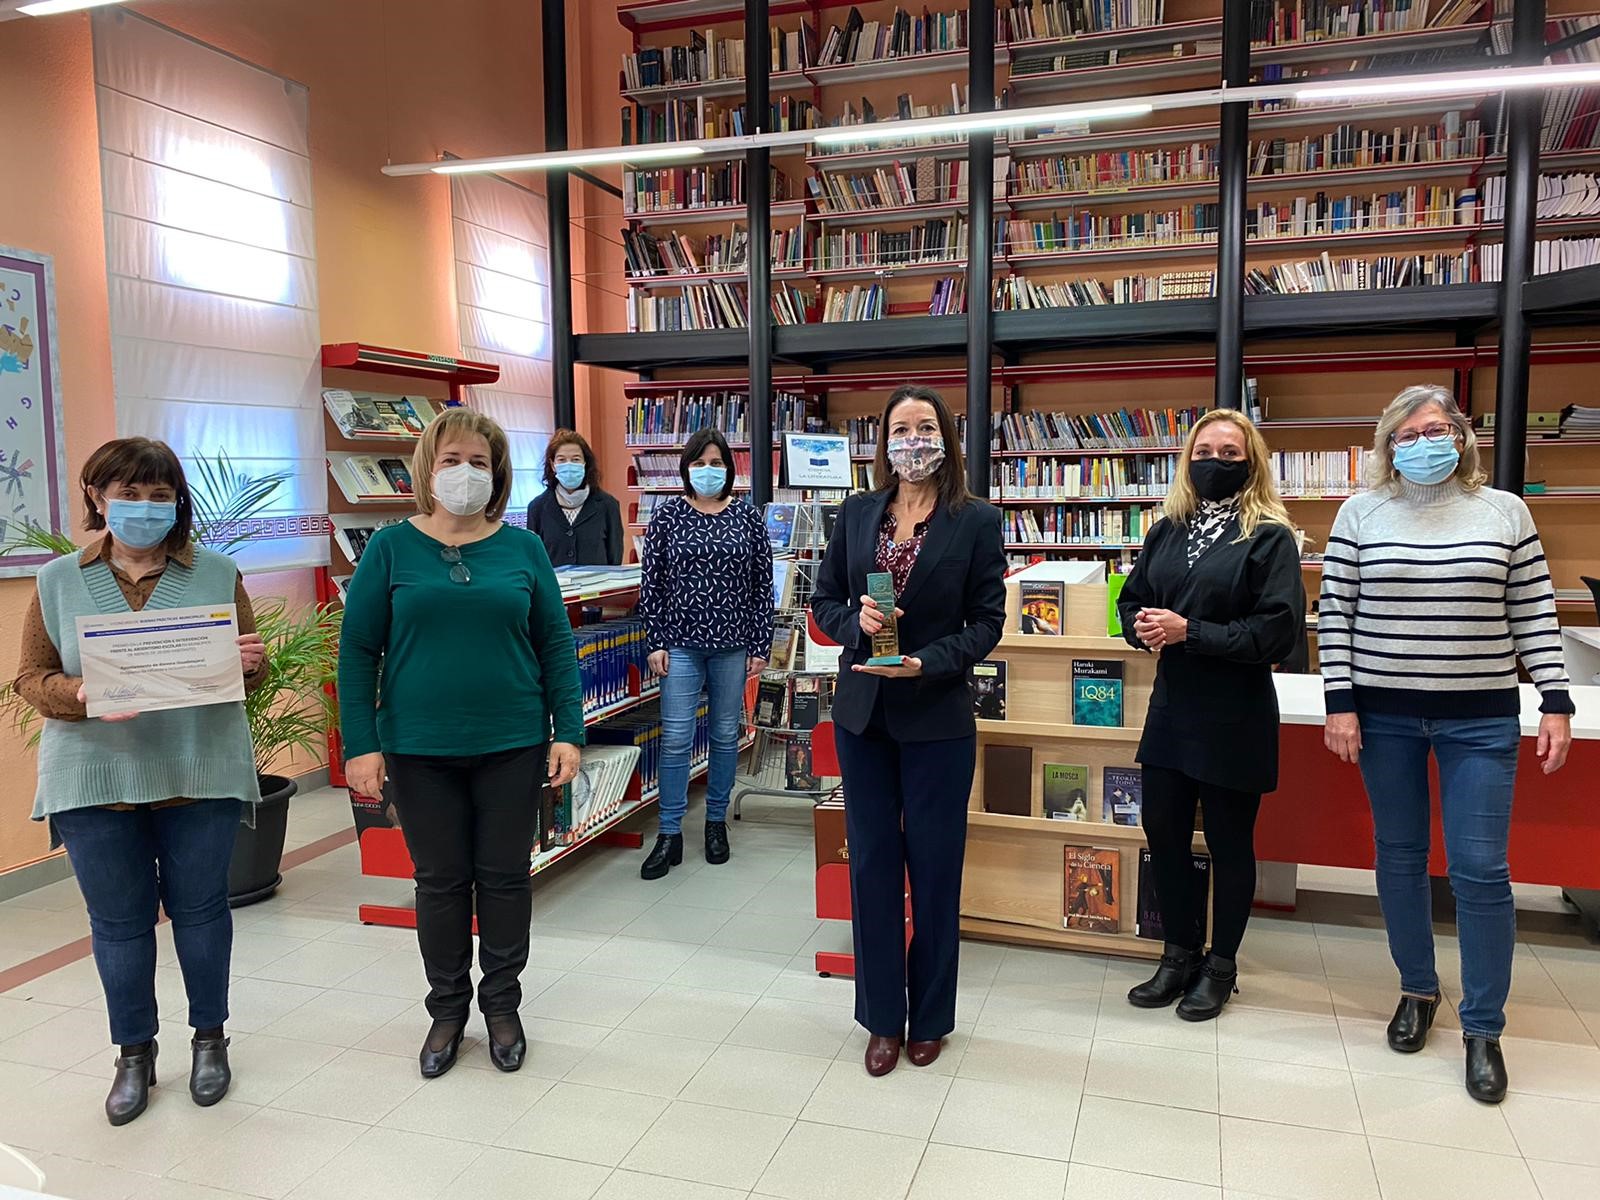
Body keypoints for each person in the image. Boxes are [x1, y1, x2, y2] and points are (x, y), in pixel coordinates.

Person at [1319, 384, 1573, 1104]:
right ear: (1387, 446)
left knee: (1481, 871)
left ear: (1461, 438)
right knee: (1399, 857)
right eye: (1407, 434)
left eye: (1436, 430)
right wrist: (1340, 703)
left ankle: (1483, 1027)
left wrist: (1555, 698)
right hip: (1384, 716)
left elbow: (1533, 609)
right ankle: (1417, 989)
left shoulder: (1505, 512)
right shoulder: (1360, 513)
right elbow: (1336, 612)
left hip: (1480, 719)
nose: (1423, 443)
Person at [13, 437, 267, 1126]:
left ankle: (209, 1040)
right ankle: (133, 1053)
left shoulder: (217, 573)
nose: (145, 508)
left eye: (160, 496)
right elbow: (31, 677)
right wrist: (80, 694)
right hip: (95, 778)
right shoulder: (57, 580)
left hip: (199, 770)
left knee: (202, 913)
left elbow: (247, 672)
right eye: (129, 494)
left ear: (178, 502)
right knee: (119, 925)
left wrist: (251, 663)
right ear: (97, 498)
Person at [339, 408, 584, 1080]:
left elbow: (555, 644)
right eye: (452, 460)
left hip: (513, 741)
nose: (465, 473)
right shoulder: (390, 549)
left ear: (497, 475)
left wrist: (568, 729)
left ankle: (502, 1006)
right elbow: (358, 651)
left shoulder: (524, 549)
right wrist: (361, 744)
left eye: (479, 462)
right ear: (428, 468)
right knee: (440, 882)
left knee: (505, 879)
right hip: (419, 747)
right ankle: (447, 1010)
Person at [810, 384, 1006, 1076]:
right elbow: (824, 600)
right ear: (883, 441)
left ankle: (930, 1018)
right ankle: (881, 1020)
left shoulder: (975, 520)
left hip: (937, 717)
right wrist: (853, 625)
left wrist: (929, 661)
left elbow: (988, 622)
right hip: (863, 717)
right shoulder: (858, 513)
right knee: (871, 866)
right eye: (900, 428)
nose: (913, 440)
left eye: (925, 427)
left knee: (934, 869)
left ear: (945, 438)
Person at [1116, 408, 1304, 1022]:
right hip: (1172, 709)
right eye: (1204, 452)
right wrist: (1141, 626)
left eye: (1229, 453)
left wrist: (1188, 631)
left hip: (1235, 715)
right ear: (1186, 460)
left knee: (1229, 844)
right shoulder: (1168, 529)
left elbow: (1276, 633)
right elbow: (1133, 598)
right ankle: (1177, 956)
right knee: (1163, 833)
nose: (1214, 462)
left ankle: (1221, 967)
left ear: (1251, 463)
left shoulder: (1269, 536)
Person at [636, 428, 772, 879]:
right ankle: (669, 833)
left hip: (733, 645)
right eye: (699, 463)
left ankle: (716, 822)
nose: (707, 470)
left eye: (716, 463)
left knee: (725, 735)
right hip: (680, 644)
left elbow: (761, 585)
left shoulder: (747, 517)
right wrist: (656, 640)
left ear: (729, 468)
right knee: (676, 738)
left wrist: (760, 643)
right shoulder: (667, 516)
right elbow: (652, 584)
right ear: (686, 468)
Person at [525, 429, 624, 567]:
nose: (569, 465)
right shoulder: (537, 508)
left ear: (585, 463)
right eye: (562, 460)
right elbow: (533, 560)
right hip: (554, 581)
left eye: (576, 459)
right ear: (553, 465)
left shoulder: (608, 505)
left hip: (597, 581)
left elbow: (615, 558)